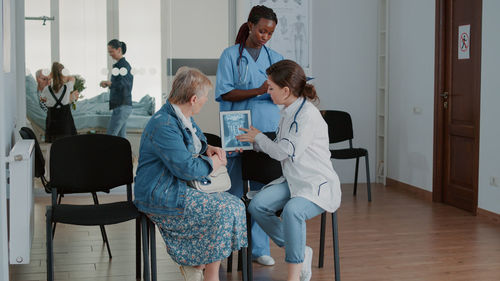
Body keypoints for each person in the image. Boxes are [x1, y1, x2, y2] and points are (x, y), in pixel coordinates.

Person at [134, 67, 247, 281]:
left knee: (235, 205)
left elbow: (196, 140)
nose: (206, 101)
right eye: (205, 98)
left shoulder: (181, 115)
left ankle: (197, 265)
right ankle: (208, 274)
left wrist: (208, 149)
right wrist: (212, 162)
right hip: (160, 193)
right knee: (224, 209)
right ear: (194, 99)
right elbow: (186, 168)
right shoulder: (163, 124)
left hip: (180, 187)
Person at [237, 60, 342, 281]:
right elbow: (278, 145)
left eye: (271, 88)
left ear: (285, 91)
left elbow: (282, 152)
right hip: (294, 179)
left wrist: (259, 138)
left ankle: (293, 276)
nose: (268, 92)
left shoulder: (307, 116)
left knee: (294, 210)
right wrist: (251, 142)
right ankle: (301, 250)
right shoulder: (288, 112)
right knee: (258, 205)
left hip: (316, 183)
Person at [214, 4, 283, 266]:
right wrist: (256, 91)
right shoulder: (231, 55)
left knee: (262, 190)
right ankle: (226, 247)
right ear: (251, 26)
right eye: (262, 30)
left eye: (270, 33)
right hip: (236, 127)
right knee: (231, 188)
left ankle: (259, 249)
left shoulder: (275, 57)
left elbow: (279, 92)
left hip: (266, 128)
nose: (265, 36)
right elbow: (225, 92)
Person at [100, 39, 133, 138]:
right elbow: (121, 83)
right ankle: (126, 154)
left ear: (119, 50)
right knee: (121, 138)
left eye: (111, 51)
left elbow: (124, 85)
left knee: (111, 138)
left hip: (122, 106)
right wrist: (110, 84)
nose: (110, 54)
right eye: (109, 52)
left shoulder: (122, 66)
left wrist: (110, 83)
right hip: (122, 105)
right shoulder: (120, 65)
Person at [40, 62, 78, 143]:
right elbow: (72, 78)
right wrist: (65, 76)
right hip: (65, 123)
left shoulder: (47, 89)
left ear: (51, 74)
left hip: (52, 123)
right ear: (63, 74)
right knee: (68, 144)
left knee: (53, 146)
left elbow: (42, 99)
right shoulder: (67, 86)